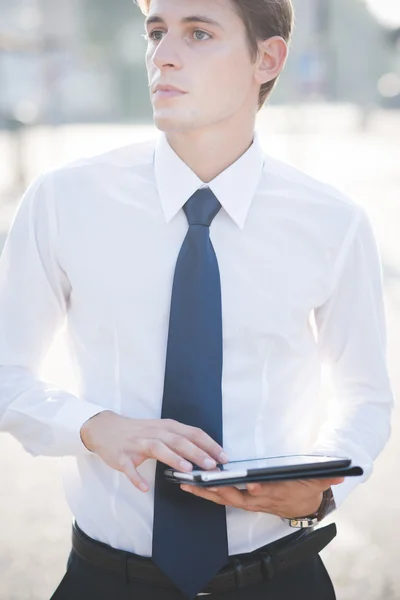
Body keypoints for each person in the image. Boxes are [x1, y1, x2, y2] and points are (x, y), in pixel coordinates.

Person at [0, 0, 394, 598]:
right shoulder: (63, 202)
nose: (163, 55)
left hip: (280, 578)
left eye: (199, 33)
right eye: (155, 32)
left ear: (267, 58)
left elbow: (365, 396)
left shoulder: (333, 222)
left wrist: (324, 485)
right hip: (106, 581)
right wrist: (93, 425)